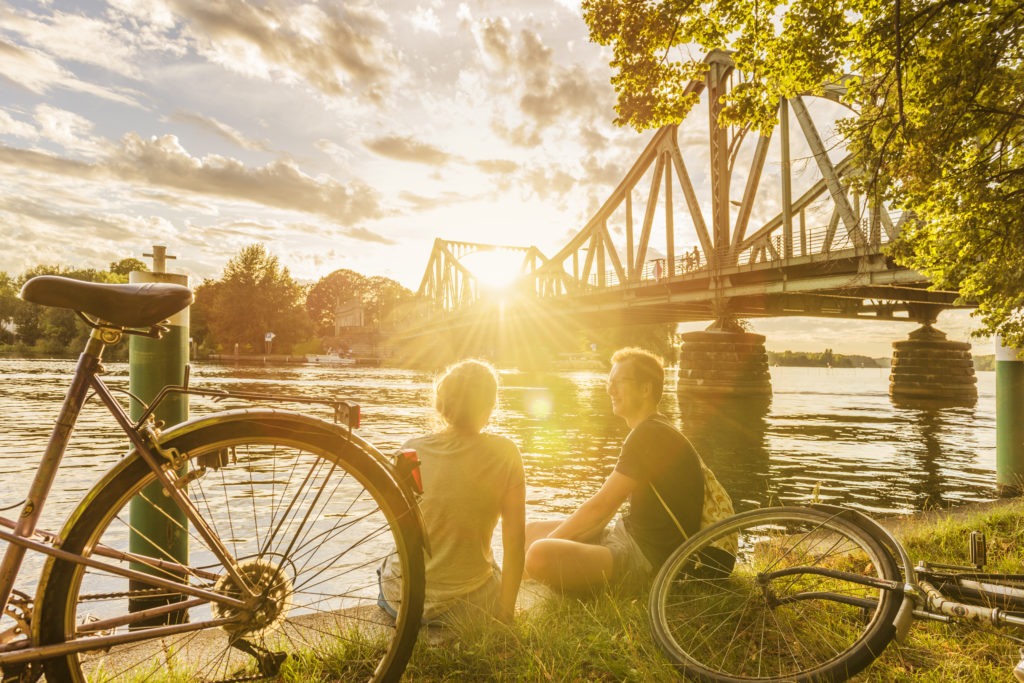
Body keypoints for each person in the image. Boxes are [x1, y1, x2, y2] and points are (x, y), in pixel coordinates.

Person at [524, 347, 704, 593]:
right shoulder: (654, 428)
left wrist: (551, 543)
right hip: (625, 535)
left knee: (539, 554)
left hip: (648, 560)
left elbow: (601, 507)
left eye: (619, 382)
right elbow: (607, 509)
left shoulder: (648, 434)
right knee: (529, 532)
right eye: (610, 382)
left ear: (645, 389)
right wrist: (573, 536)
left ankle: (519, 583)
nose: (610, 389)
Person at [379, 359, 526, 624]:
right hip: (466, 606)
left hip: (402, 598)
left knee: (387, 565)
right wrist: (506, 614)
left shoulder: (411, 449)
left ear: (442, 403)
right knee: (492, 567)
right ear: (490, 406)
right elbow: (515, 542)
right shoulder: (506, 453)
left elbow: (399, 525)